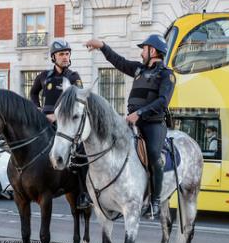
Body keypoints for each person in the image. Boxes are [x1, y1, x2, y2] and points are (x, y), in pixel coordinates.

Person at [85, 34, 175, 219]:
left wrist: (140, 114)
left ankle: (155, 202)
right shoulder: (138, 70)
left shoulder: (167, 74)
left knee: (153, 155)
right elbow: (119, 62)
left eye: (144, 49)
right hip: (130, 121)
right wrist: (102, 46)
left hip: (153, 124)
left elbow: (163, 102)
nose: (141, 52)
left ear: (153, 51)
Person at [29, 39, 91, 210]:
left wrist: (57, 117)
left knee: (81, 154)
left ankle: (84, 194)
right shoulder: (43, 76)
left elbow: (79, 99)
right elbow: (33, 93)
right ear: (53, 57)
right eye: (62, 54)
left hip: (64, 124)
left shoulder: (74, 77)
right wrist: (38, 109)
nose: (65, 57)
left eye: (67, 53)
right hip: (44, 122)